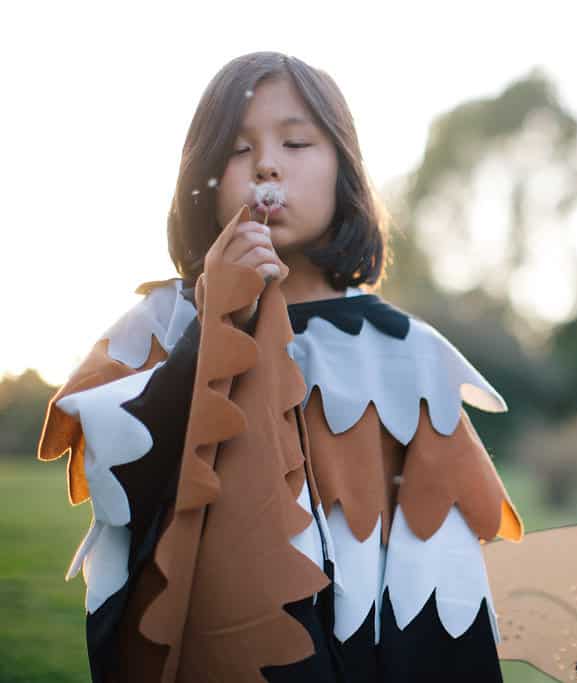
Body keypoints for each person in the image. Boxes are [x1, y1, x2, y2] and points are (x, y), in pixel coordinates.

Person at [38, 51, 521, 683]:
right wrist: (217, 322)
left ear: (344, 169)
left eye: (296, 141)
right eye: (237, 151)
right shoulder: (158, 324)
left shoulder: (406, 354)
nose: (267, 164)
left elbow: (440, 581)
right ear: (200, 180)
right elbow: (120, 483)